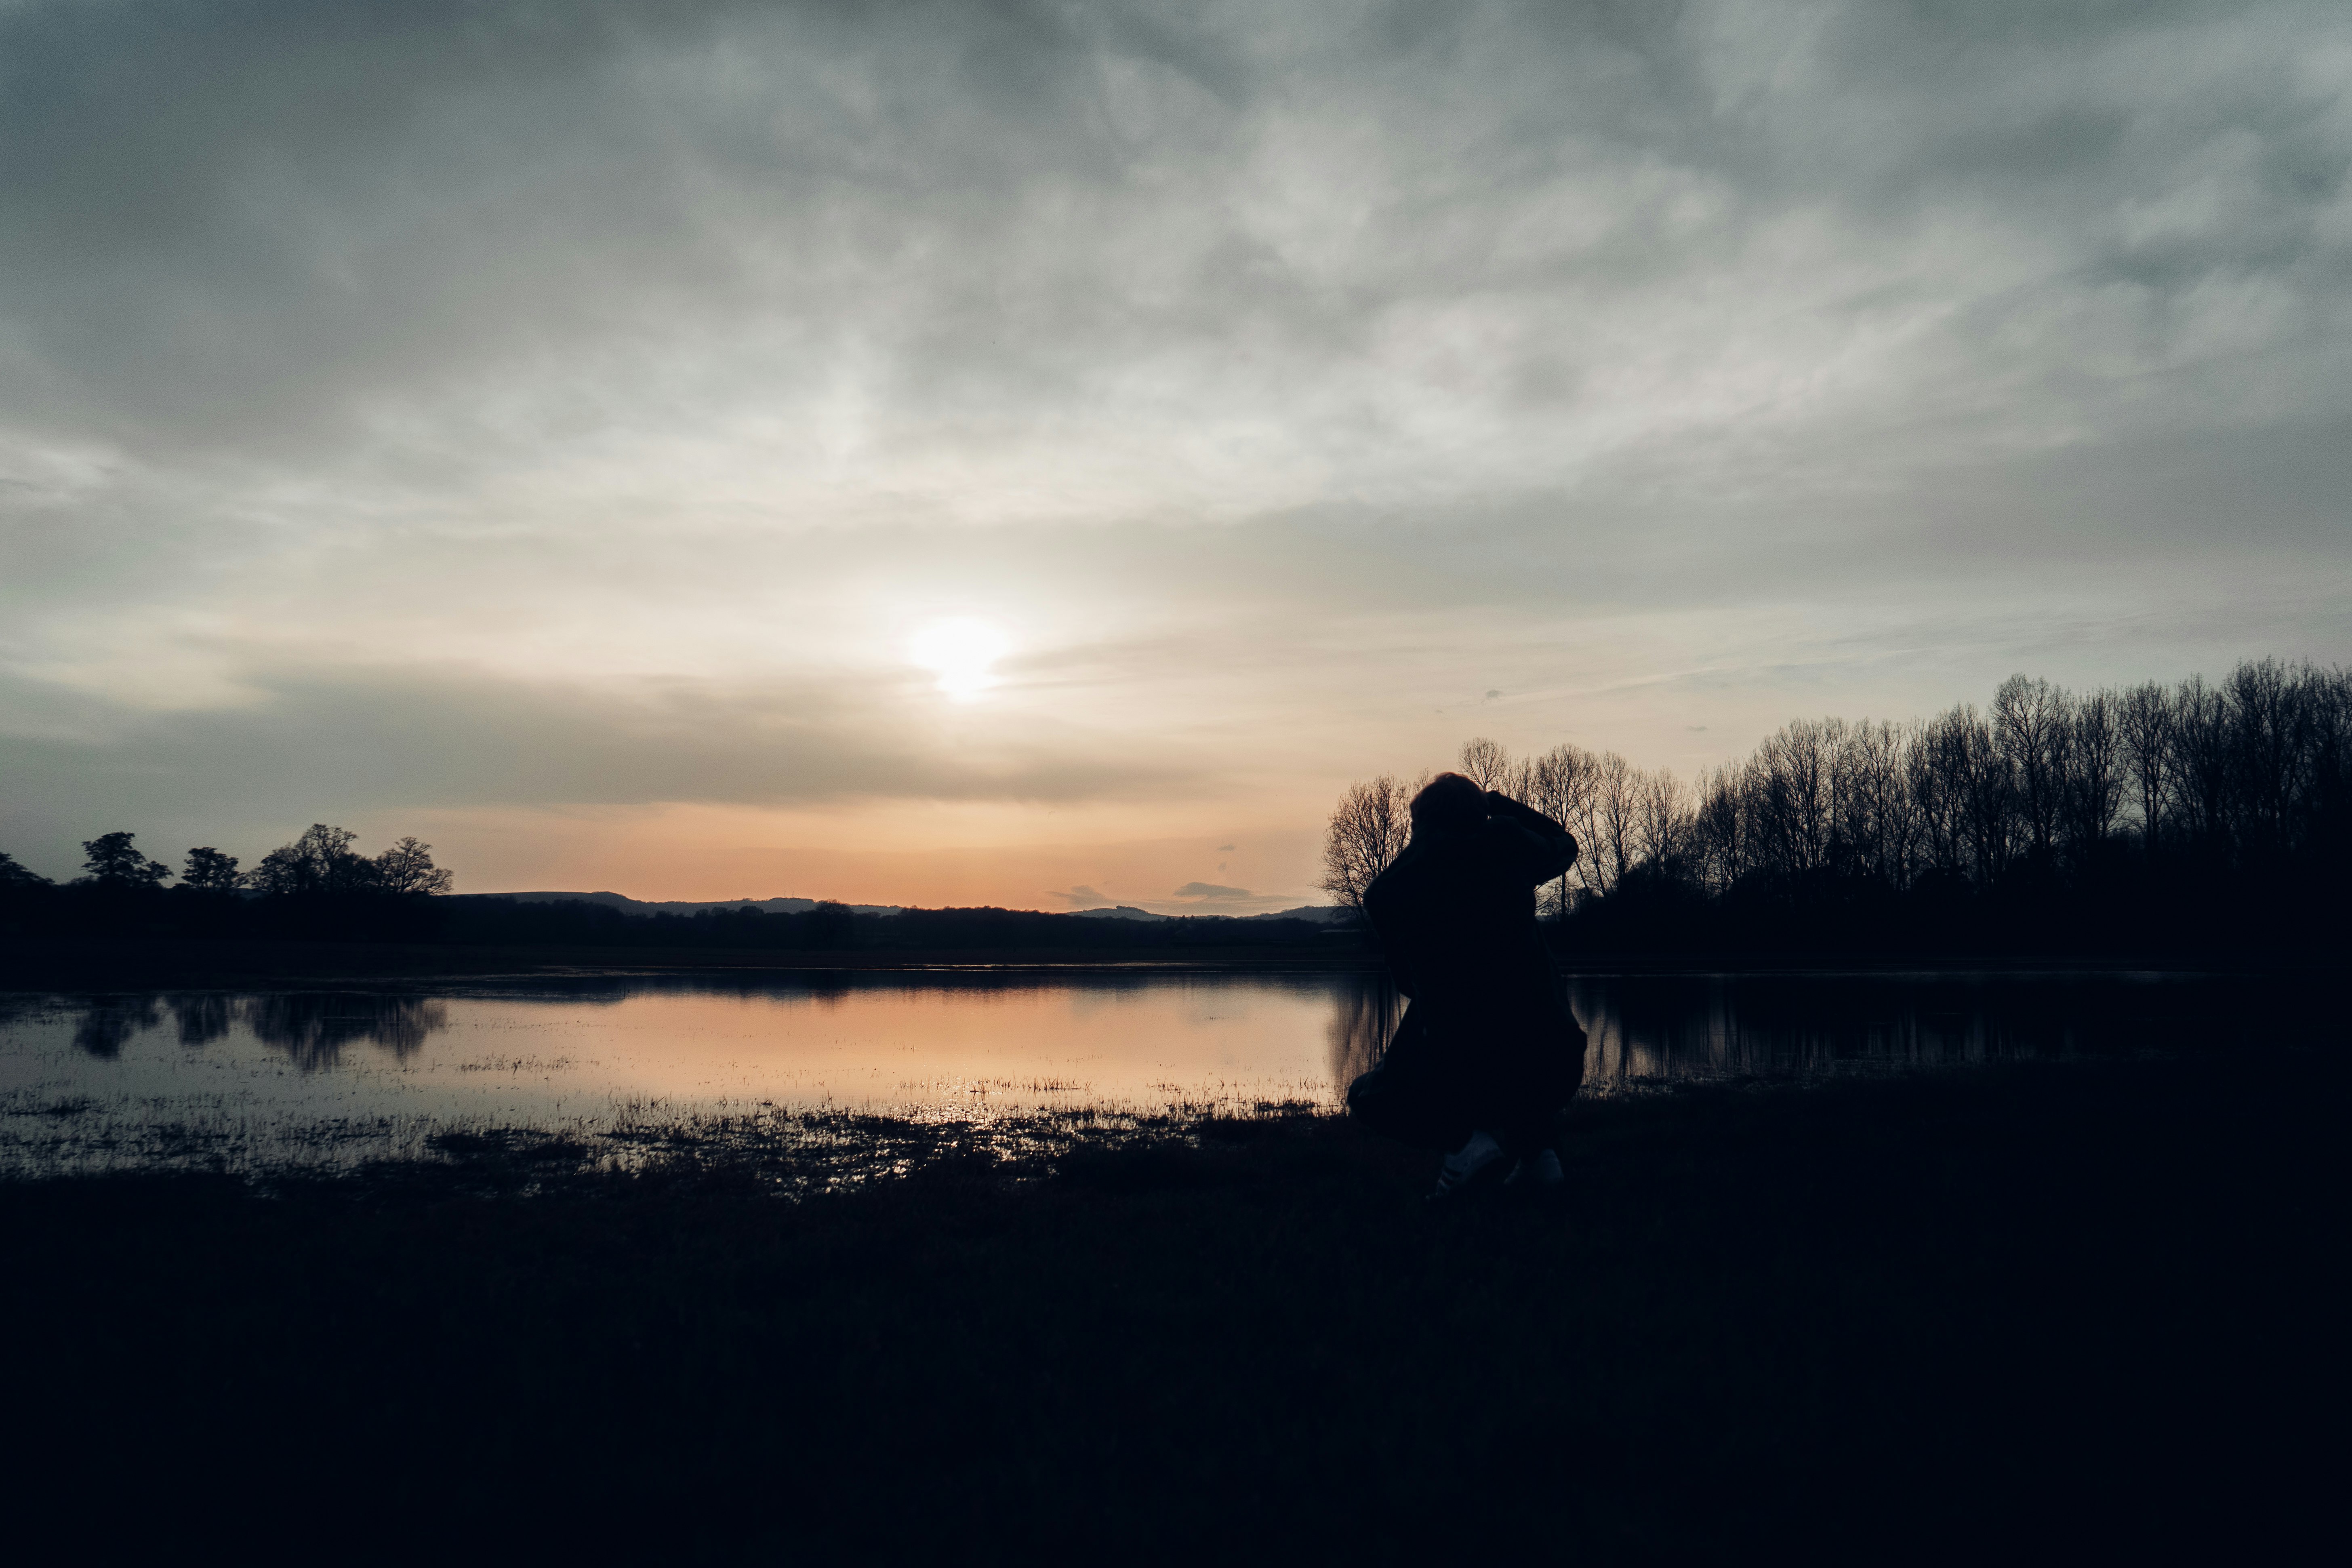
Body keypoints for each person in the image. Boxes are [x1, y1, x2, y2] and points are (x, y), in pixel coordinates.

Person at [1346, 772, 1586, 1198]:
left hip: (1463, 1063)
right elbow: (1563, 844)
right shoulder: (1506, 848)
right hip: (1557, 1058)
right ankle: (1538, 1157)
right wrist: (1503, 806)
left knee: (1369, 1096)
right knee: (1513, 1032)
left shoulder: (1390, 892)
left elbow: (1405, 982)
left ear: (1419, 827)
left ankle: (1465, 1146)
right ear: (1479, 817)